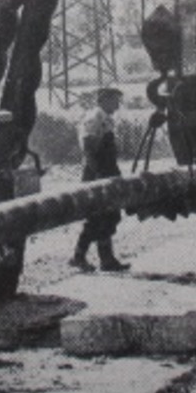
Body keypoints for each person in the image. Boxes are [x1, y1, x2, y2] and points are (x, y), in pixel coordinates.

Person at [70, 86, 131, 272]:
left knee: (109, 215)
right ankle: (79, 257)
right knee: (98, 217)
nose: (117, 104)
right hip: (96, 174)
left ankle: (106, 259)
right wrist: (98, 177)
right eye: (114, 100)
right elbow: (89, 149)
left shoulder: (106, 119)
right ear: (104, 100)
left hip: (107, 172)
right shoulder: (94, 118)